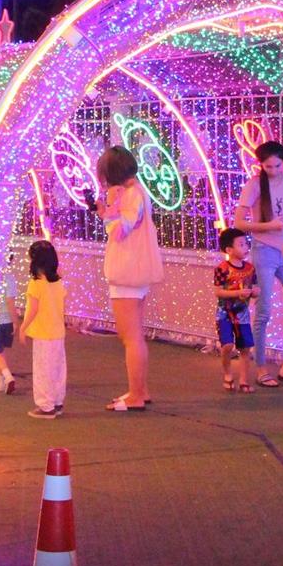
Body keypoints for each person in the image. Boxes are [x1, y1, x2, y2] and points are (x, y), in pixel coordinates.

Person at [95, 145, 163, 412]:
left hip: (127, 271)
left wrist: (109, 210)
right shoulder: (137, 192)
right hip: (135, 269)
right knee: (134, 335)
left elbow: (120, 230)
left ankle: (136, 395)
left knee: (130, 337)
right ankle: (139, 390)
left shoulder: (130, 194)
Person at [231, 141, 283, 388]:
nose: (273, 171)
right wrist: (267, 226)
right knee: (264, 311)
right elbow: (239, 222)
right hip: (264, 250)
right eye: (268, 167)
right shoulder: (254, 185)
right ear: (260, 165)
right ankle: (260, 367)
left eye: (278, 166)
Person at [20, 240, 68, 419]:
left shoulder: (36, 284)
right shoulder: (58, 282)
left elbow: (32, 309)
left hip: (43, 332)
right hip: (57, 332)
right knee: (58, 368)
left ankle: (46, 406)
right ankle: (57, 401)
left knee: (43, 370)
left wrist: (23, 327)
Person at [212, 228, 259, 393]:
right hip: (224, 313)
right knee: (227, 345)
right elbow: (218, 292)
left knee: (245, 348)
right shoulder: (222, 268)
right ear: (229, 250)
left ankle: (244, 380)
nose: (245, 247)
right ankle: (227, 373)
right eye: (241, 244)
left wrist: (254, 292)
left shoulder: (250, 268)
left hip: (242, 314)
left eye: (246, 243)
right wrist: (237, 293)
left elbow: (255, 288)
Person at [0, 254, 20, 395]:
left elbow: (8, 301)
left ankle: (8, 376)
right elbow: (11, 301)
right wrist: (15, 321)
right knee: (0, 350)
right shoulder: (10, 278)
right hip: (7, 321)